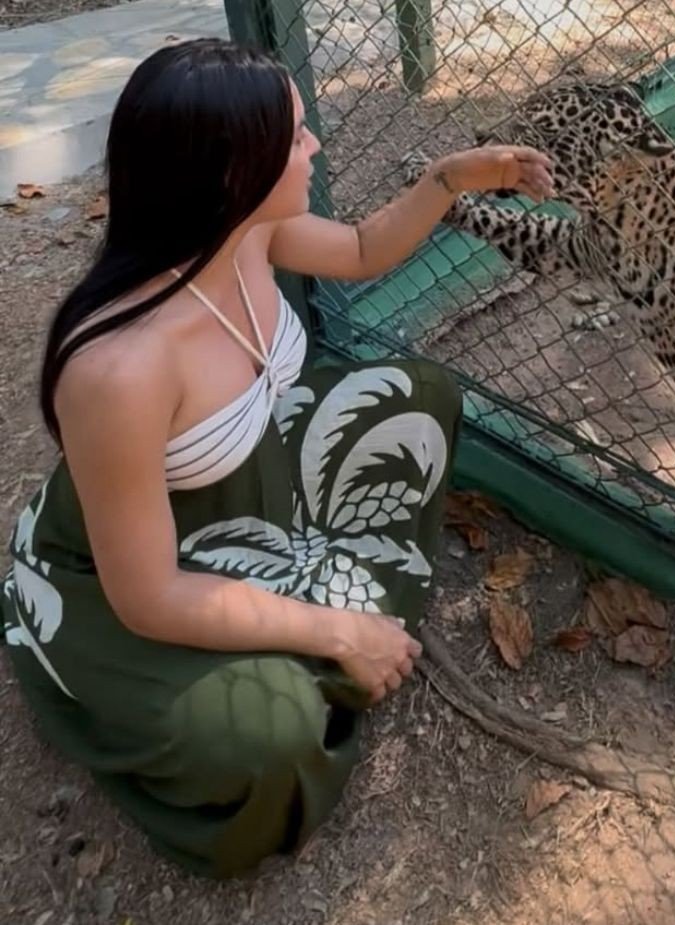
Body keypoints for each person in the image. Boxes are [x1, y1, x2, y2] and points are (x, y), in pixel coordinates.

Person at [0, 37, 553, 879]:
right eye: (295, 135)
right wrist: (336, 627)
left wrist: (447, 179)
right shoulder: (118, 368)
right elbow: (147, 595)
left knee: (421, 395)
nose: (315, 144)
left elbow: (362, 249)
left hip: (254, 485)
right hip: (139, 570)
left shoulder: (250, 230)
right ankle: (330, 643)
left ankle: (328, 631)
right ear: (233, 171)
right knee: (269, 733)